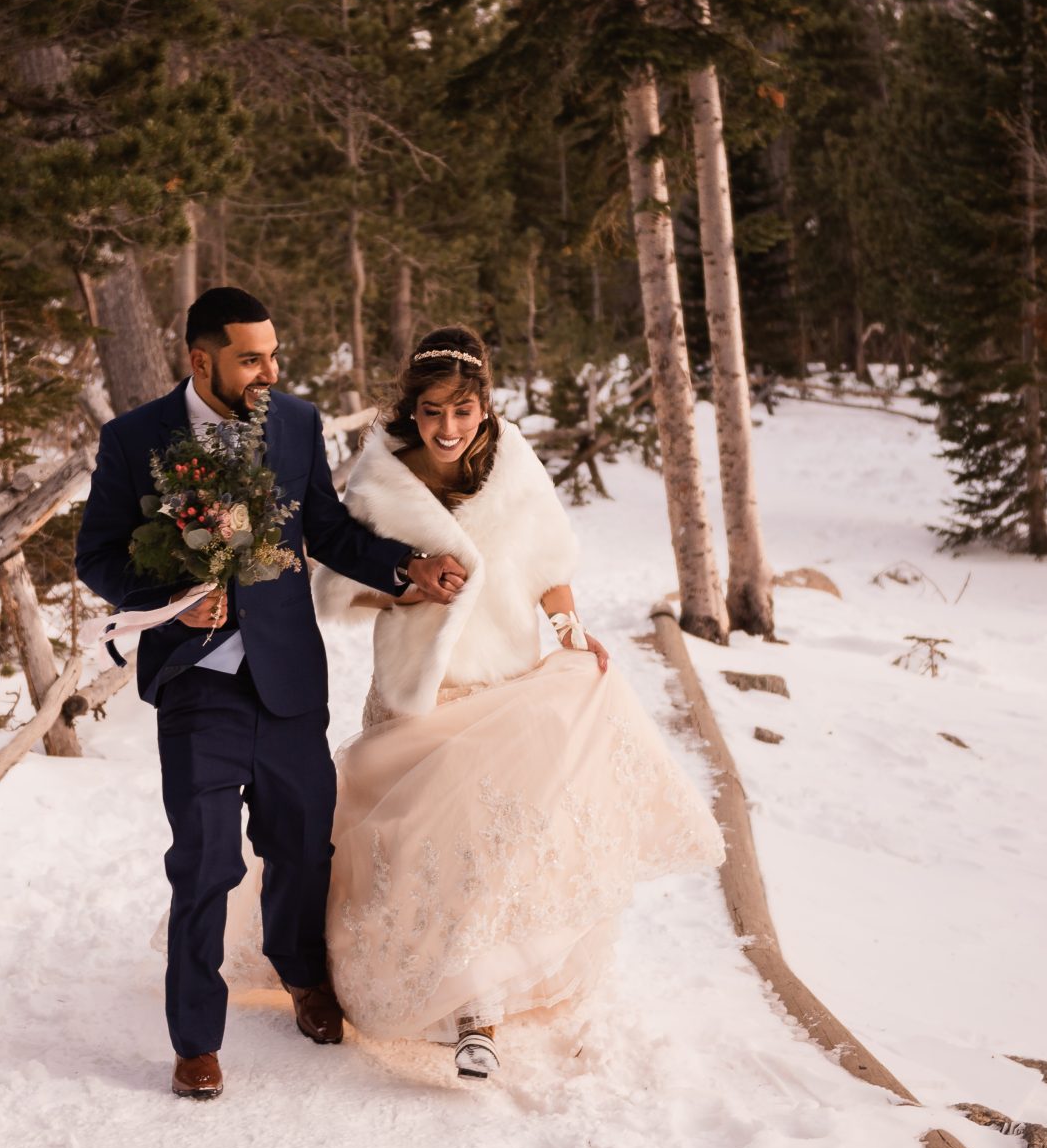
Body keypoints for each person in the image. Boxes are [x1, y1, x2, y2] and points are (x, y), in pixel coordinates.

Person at [74, 287, 471, 1102]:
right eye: (250, 357)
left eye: (273, 354)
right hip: (197, 685)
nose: (269, 370)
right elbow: (98, 557)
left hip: (289, 676)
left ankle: (303, 976)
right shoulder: (134, 439)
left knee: (301, 847)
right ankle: (195, 1039)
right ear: (200, 359)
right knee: (205, 863)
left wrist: (405, 570)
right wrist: (181, 588)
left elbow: (321, 527)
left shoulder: (293, 421)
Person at [313, 327, 722, 1080]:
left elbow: (546, 565)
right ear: (413, 406)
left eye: (462, 410)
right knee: (410, 857)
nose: (447, 427)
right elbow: (334, 586)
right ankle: (414, 987)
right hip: (415, 698)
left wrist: (570, 632)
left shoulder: (516, 466)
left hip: (499, 686)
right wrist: (406, 580)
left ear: (484, 404)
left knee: (489, 856)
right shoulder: (379, 476)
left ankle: (479, 1016)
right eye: (433, 410)